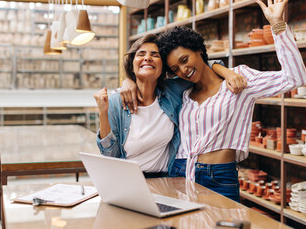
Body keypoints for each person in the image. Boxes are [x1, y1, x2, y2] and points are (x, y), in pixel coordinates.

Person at [121, 0, 306, 201]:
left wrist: (278, 26)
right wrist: (127, 81)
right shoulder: (181, 91)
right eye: (175, 68)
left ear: (199, 50)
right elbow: (148, 82)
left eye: (185, 59)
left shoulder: (239, 80)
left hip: (219, 176)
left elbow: (295, 77)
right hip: (179, 173)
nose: (183, 70)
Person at [94, 34, 247, 178]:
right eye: (141, 54)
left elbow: (202, 67)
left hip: (165, 180)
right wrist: (103, 113)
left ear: (163, 68)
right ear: (132, 64)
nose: (147, 58)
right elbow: (109, 155)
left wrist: (228, 73)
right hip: (127, 180)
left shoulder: (172, 92)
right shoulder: (116, 101)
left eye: (155, 55)